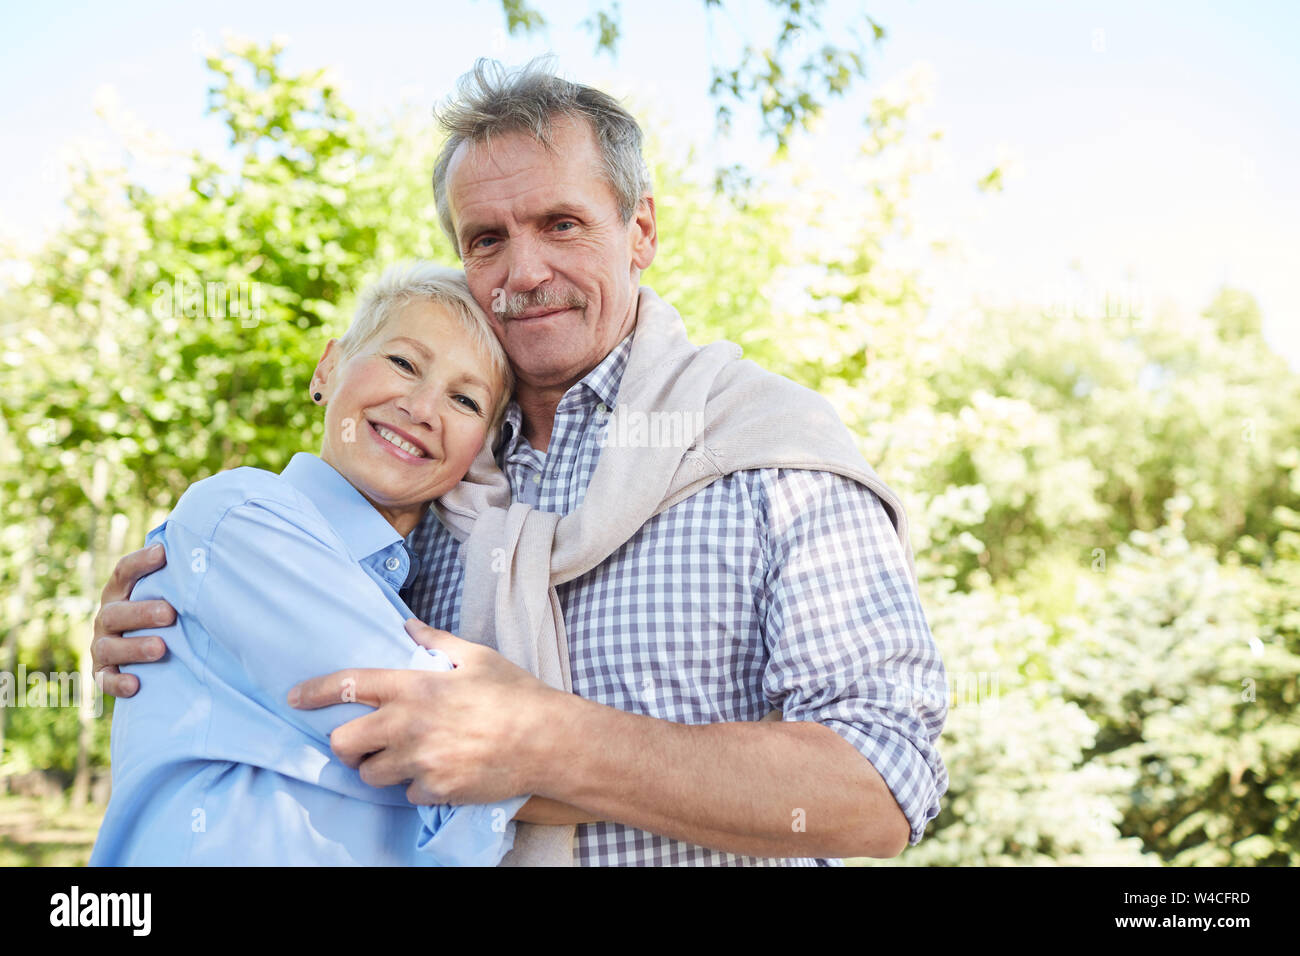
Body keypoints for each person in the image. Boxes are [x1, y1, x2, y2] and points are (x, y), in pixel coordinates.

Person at [93, 58, 949, 866]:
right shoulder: (427, 471)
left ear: (640, 229)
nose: (524, 270)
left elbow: (881, 782)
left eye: (562, 224)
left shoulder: (768, 451)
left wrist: (544, 740)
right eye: (487, 238)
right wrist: (179, 616)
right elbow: (319, 698)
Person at [90, 263, 528, 866]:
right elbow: (453, 746)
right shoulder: (237, 515)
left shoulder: (414, 599)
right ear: (328, 368)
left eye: (465, 399)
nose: (424, 407)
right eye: (403, 362)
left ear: (482, 449)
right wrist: (645, 777)